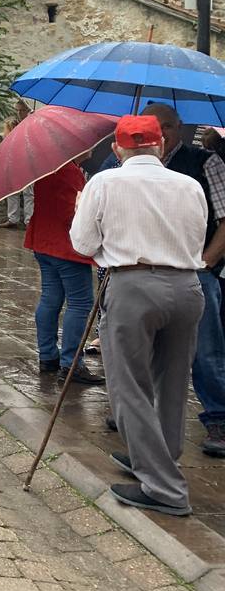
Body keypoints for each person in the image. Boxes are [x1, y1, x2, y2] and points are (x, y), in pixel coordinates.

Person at [70, 115, 207, 515]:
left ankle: (165, 489)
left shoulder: (105, 182)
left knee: (128, 385)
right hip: (186, 286)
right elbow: (195, 237)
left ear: (117, 148)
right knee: (173, 380)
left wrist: (84, 211)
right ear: (160, 146)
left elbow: (82, 243)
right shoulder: (189, 185)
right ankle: (159, 456)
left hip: (133, 285)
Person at [137, 103, 225, 457]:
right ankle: (141, 415)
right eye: (153, 127)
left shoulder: (206, 162)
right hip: (146, 270)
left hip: (193, 273)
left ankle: (219, 418)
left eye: (167, 126)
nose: (161, 133)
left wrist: (206, 262)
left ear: (180, 127)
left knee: (205, 350)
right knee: (145, 349)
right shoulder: (132, 164)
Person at [25, 161, 102, 382]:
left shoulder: (46, 168)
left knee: (50, 298)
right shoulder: (70, 172)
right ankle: (72, 364)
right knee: (79, 302)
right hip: (66, 246)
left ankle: (48, 356)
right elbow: (75, 211)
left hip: (43, 240)